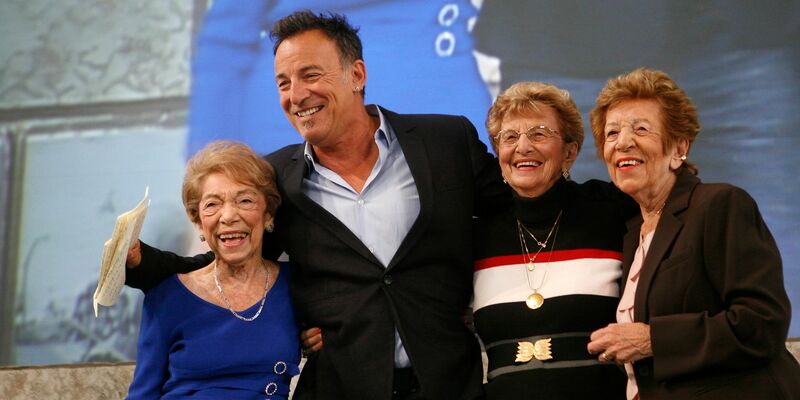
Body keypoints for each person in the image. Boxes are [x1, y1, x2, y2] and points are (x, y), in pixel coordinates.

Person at [125, 10, 509, 400]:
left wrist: (488, 298)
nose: (296, 96)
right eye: (283, 83)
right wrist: (143, 263)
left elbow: (512, 220)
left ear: (357, 75)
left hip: (449, 385)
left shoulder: (445, 142)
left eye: (310, 75)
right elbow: (233, 258)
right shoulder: (277, 176)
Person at [586, 68, 800, 399]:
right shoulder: (631, 233)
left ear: (678, 148)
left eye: (641, 129)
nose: (623, 142)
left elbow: (762, 322)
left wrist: (653, 339)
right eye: (611, 133)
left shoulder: (719, 204)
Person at [471, 82, 630, 399]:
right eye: (509, 137)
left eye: (539, 134)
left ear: (570, 152)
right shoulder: (476, 235)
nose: (523, 147)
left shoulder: (613, 211)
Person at [126, 141, 300, 399]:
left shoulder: (297, 285)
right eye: (212, 205)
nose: (228, 216)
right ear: (197, 221)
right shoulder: (166, 297)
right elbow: (143, 394)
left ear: (269, 214)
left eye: (245, 200)